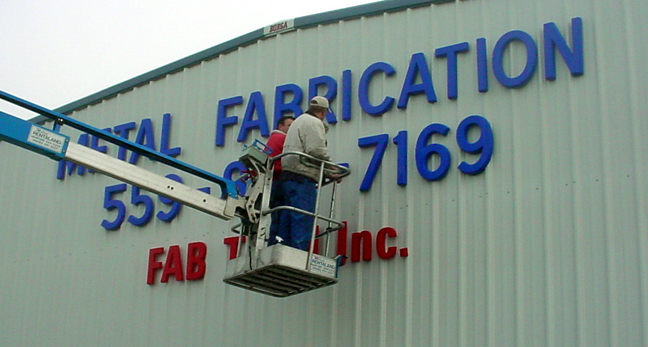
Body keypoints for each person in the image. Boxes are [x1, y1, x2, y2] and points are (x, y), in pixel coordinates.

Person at [278, 96, 338, 251]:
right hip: (302, 177)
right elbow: (315, 150)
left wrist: (326, 173)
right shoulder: (313, 123)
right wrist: (331, 168)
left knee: (287, 217)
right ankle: (298, 254)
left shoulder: (298, 121)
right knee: (302, 218)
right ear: (324, 112)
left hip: (288, 176)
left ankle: (282, 250)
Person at [266, 115, 294, 246]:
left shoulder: (272, 139)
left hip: (272, 182)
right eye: (289, 125)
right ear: (280, 126)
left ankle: (274, 242)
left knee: (276, 215)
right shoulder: (282, 139)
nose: (291, 128)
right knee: (282, 215)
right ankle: (279, 242)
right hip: (279, 181)